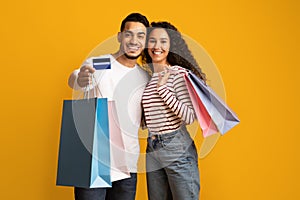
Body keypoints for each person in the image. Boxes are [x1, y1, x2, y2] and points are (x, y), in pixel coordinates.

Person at [68, 13, 150, 200]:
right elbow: (76, 77)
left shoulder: (145, 77)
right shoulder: (104, 62)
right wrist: (80, 78)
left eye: (141, 36)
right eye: (129, 34)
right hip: (93, 161)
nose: (134, 41)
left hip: (127, 166)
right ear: (120, 36)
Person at [141, 21, 206, 200]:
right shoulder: (150, 77)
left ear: (172, 45)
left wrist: (164, 90)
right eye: (152, 41)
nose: (157, 46)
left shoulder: (178, 74)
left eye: (163, 41)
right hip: (152, 148)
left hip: (176, 147)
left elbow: (189, 116)